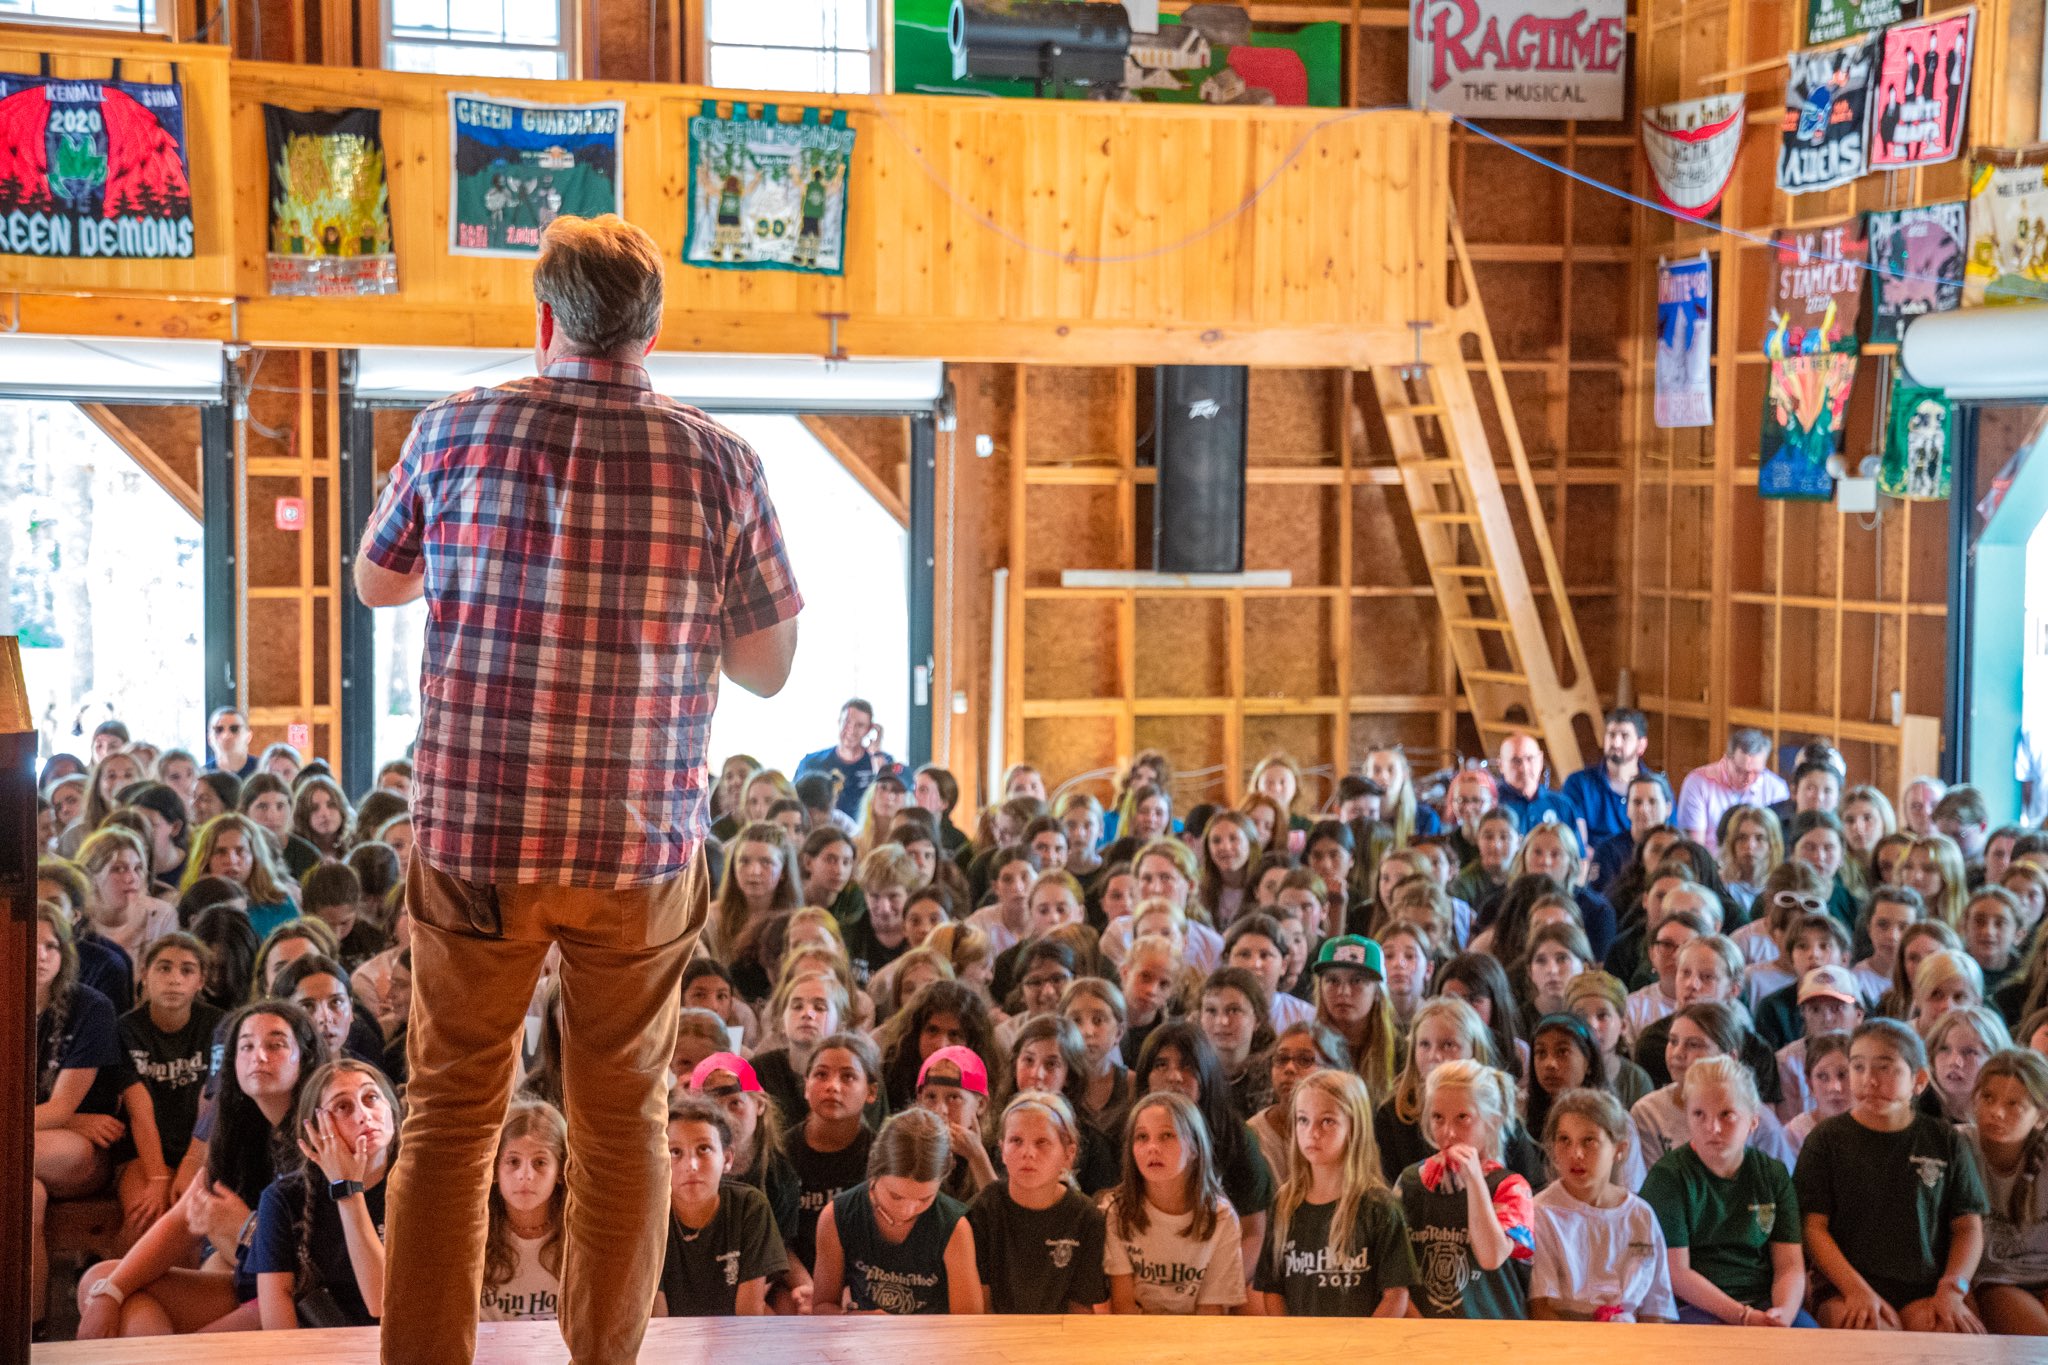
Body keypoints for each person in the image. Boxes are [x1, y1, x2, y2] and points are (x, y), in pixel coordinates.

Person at [356, 213, 802, 1365]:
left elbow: (375, 582)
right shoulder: (720, 462)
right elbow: (766, 668)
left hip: (474, 838)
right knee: (624, 1126)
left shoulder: (453, 428)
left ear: (542, 319)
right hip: (635, 844)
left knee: (450, 1118)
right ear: (651, 331)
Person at [1795, 1018, 1988, 1332]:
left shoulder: (1945, 1140)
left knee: (1948, 1333)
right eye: (1858, 1067)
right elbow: (1813, 1228)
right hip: (1846, 1287)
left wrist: (1952, 1289)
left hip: (1927, 1288)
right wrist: (1856, 1290)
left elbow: (1967, 1226)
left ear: (1919, 1080)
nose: (1870, 1080)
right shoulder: (1825, 1140)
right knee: (1873, 1332)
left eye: (1885, 1068)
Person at [1640, 1056, 1810, 1326]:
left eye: (1726, 1115)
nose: (1713, 1128)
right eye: (1699, 1115)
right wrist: (1743, 1316)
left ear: (1753, 1122)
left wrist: (1782, 1316)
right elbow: (1677, 1273)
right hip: (1694, 1308)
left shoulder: (1772, 1174)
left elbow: (1789, 1265)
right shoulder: (1669, 1177)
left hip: (1764, 1304)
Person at [248, 1059, 400, 1328]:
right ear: (315, 1131)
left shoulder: (419, 1188)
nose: (363, 1115)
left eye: (371, 1097)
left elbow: (382, 1302)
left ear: (392, 1109)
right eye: (343, 1106)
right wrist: (345, 1184)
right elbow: (278, 1331)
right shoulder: (283, 1199)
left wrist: (347, 1189)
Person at [1252, 1067, 1414, 1317]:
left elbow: (1396, 1296)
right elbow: (1273, 1290)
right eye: (1303, 1120)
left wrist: (1359, 1350)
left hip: (1359, 1352)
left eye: (1327, 1121)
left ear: (1354, 1126)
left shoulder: (1380, 1207)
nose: (1312, 1133)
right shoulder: (1285, 1203)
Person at [810, 1108, 980, 1315]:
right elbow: (822, 1307)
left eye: (924, 1199)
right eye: (896, 1196)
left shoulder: (954, 1228)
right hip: (864, 1339)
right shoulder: (838, 1215)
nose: (907, 1209)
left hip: (934, 1341)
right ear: (875, 1172)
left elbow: (969, 1323)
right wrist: (861, 1320)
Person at [1399, 1060, 1533, 1318]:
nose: (1448, 1133)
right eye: (1438, 1118)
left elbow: (1491, 1256)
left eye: (1463, 1118)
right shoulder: (1411, 1182)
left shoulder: (1512, 1187)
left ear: (1492, 1121)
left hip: (1492, 1333)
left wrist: (1474, 1180)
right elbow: (1395, 1271)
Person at [1529, 1089, 1676, 1322]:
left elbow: (1656, 1307)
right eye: (1564, 1140)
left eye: (1589, 1141)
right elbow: (1542, 1308)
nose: (1576, 1154)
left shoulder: (1639, 1215)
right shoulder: (1542, 1212)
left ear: (1619, 1149)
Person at [1104, 1091, 1245, 1315]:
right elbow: (1123, 1306)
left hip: (1196, 1339)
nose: (1152, 1147)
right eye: (1142, 1137)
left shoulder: (1221, 1217)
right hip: (1135, 1337)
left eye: (1167, 1135)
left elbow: (1211, 1312)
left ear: (1195, 1148)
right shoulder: (1116, 1211)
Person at [968, 1091, 1110, 1313]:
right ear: (1002, 1150)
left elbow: (1081, 1307)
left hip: (1059, 1338)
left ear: (1068, 1154)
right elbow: (981, 1302)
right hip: (996, 1336)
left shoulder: (1086, 1217)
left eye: (1042, 1142)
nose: (1028, 1153)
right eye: (1016, 1141)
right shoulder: (985, 1208)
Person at [654, 1094, 788, 1316]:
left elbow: (748, 1316)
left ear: (727, 1159)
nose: (691, 1165)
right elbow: (657, 1321)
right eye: (675, 1152)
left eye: (704, 1149)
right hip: (671, 1341)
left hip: (734, 1338)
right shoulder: (650, 1214)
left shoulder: (749, 1206)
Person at [1969, 1048, 2048, 1332]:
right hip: (1998, 1279)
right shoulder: (1958, 1146)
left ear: (2041, 1117)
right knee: (2039, 1338)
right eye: (1988, 1098)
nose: (1996, 1112)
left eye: (2014, 1104)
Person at [479, 1098, 567, 1323]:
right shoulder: (475, 1235)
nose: (525, 1175)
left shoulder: (578, 1238)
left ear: (560, 1171)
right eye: (513, 1162)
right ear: (495, 1169)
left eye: (539, 1163)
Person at [1675, 729, 1788, 853]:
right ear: (1726, 759)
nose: (1747, 779)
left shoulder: (1776, 789)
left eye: (1755, 773)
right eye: (1740, 771)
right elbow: (1695, 846)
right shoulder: (1698, 782)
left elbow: (1776, 846)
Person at [1562, 709, 1656, 851]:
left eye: (1625, 736)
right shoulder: (1578, 783)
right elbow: (1577, 847)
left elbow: (1665, 840)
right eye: (1611, 735)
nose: (1616, 743)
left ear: (1641, 745)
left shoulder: (1656, 788)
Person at [795, 699, 896, 822]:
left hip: (866, 833)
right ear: (838, 722)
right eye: (847, 722)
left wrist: (876, 753)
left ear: (869, 730)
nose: (852, 730)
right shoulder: (812, 762)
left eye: (860, 725)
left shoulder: (881, 760)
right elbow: (794, 802)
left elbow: (888, 795)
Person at [205, 707, 257, 780]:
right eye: (219, 730)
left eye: (234, 729)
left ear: (248, 736)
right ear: (209, 739)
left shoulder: (263, 771)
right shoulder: (201, 776)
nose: (226, 735)